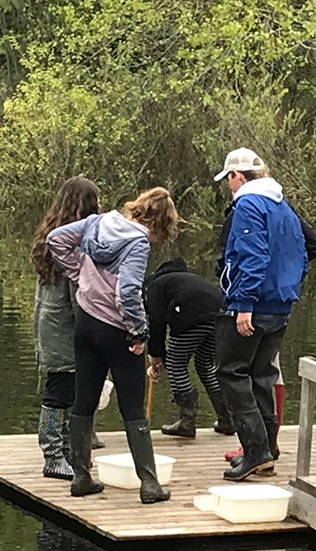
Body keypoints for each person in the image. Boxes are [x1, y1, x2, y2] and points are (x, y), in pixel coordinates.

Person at [47, 187, 181, 503]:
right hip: (116, 331)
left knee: (85, 398)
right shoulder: (137, 243)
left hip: (86, 323)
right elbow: (128, 291)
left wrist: (79, 274)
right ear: (159, 222)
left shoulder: (97, 222)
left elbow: (56, 240)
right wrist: (138, 333)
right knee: (132, 405)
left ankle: (81, 477)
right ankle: (149, 485)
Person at [214, 163, 316, 465]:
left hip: (254, 304)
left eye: (228, 179)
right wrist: (289, 281)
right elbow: (307, 247)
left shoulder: (248, 204)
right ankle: (266, 450)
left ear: (238, 175)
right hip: (281, 304)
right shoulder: (283, 206)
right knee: (261, 374)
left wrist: (244, 303)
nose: (228, 185)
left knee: (231, 372)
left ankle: (256, 452)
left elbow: (253, 254)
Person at [31, 177, 101, 480]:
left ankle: (71, 453)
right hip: (63, 329)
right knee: (59, 392)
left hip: (50, 323)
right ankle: (52, 455)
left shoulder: (51, 235)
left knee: (72, 391)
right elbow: (79, 291)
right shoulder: (72, 243)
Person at [144, 258, 232, 438]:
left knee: (176, 364)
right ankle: (227, 418)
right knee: (206, 365)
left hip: (189, 316)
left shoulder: (154, 286)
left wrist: (156, 355)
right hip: (219, 315)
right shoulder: (188, 280)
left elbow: (157, 321)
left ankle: (187, 422)